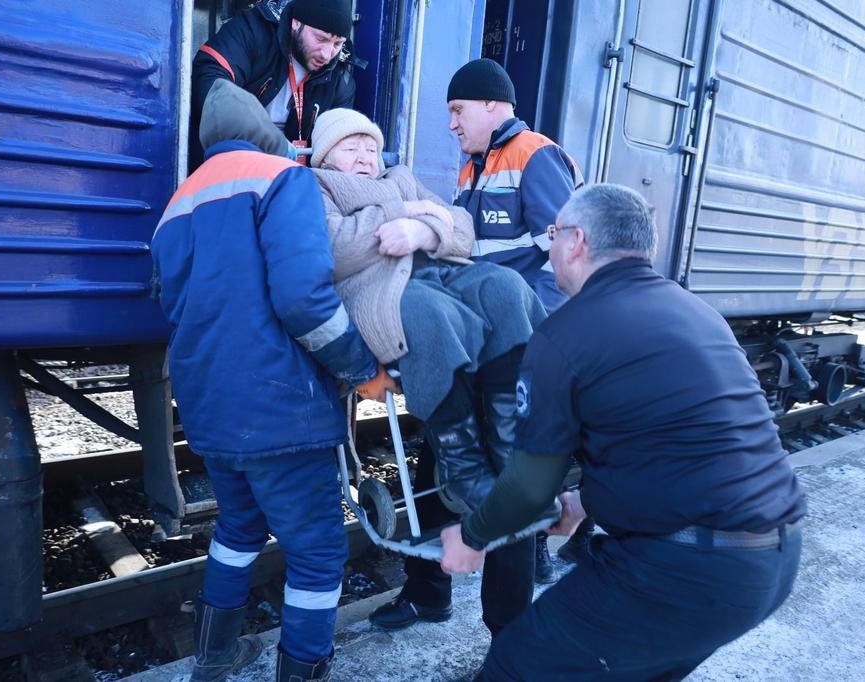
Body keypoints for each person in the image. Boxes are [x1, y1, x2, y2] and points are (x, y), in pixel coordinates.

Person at [440, 183, 807, 680]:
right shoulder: (695, 311)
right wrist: (584, 502)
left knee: (514, 666)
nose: (550, 247)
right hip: (773, 560)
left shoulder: (565, 334)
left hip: (683, 571)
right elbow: (676, 442)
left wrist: (472, 536)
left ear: (576, 241)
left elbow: (529, 488)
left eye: (553, 233)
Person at [151, 118, 397, 681]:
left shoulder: (178, 202)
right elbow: (305, 299)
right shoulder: (281, 178)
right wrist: (362, 369)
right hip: (280, 408)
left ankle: (214, 656)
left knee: (238, 526)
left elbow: (171, 305)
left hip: (208, 405)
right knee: (317, 550)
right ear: (267, 135)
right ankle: (304, 668)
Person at [307, 108, 547, 639]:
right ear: (326, 155)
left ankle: (510, 631)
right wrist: (405, 212)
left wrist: (419, 226)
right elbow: (332, 248)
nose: (365, 156)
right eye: (351, 147)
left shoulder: (400, 176)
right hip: (394, 301)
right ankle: (434, 590)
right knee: (452, 441)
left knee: (507, 288)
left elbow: (462, 228)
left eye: (371, 147)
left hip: (450, 295)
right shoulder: (316, 186)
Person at [447, 57, 582, 583]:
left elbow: (565, 253)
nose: (452, 124)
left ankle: (539, 548)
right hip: (488, 332)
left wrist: (536, 332)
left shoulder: (534, 155)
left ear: (490, 104)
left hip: (525, 333)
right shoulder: (472, 166)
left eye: (458, 110)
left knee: (524, 446)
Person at [192, 0, 358, 159]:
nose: (327, 55)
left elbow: (339, 142)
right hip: (234, 157)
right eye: (321, 39)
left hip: (292, 172)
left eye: (337, 44)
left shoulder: (340, 77)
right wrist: (271, 141)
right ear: (296, 23)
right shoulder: (253, 30)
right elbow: (211, 84)